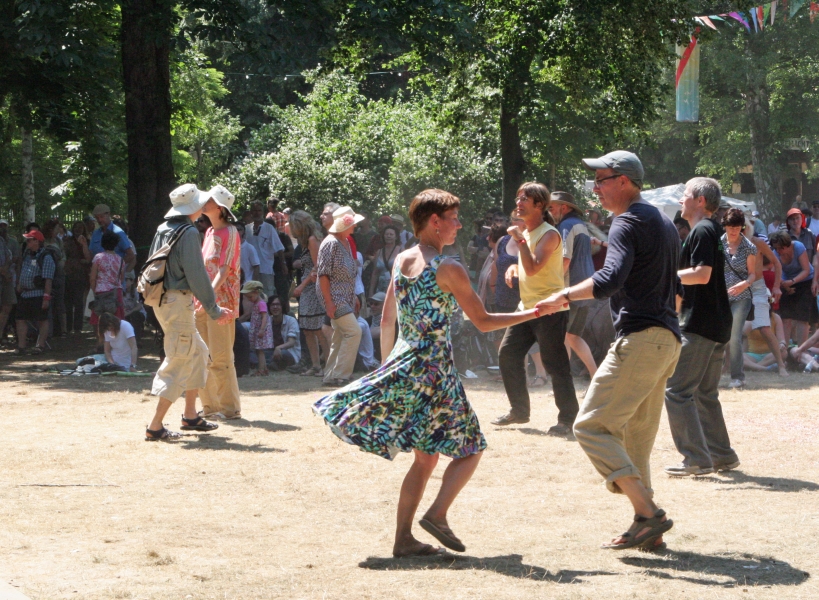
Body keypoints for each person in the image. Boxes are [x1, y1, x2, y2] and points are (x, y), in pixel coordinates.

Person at [314, 188, 541, 557]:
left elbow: (388, 319)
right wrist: (533, 313)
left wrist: (389, 367)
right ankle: (436, 515)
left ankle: (404, 539)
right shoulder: (447, 267)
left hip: (408, 362)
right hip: (434, 369)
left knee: (426, 458)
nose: (459, 224)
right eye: (453, 218)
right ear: (434, 222)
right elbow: (482, 321)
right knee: (470, 448)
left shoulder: (402, 259)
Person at [536, 151, 681, 551]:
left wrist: (561, 295)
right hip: (666, 340)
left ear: (625, 181)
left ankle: (650, 514)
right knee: (636, 438)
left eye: (601, 179)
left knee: (590, 426)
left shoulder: (627, 221)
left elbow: (609, 279)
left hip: (642, 339)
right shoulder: (663, 222)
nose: (595, 188)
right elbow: (676, 289)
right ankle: (645, 527)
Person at [663, 177, 739, 478]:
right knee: (704, 394)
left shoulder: (704, 229)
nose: (682, 200)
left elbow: (702, 274)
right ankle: (722, 455)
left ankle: (695, 458)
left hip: (701, 326)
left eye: (685, 195)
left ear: (700, 201)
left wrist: (668, 274)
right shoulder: (709, 230)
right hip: (716, 324)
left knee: (677, 391)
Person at [492, 182, 579, 435]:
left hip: (550, 308)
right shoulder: (529, 233)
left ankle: (567, 420)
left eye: (524, 200)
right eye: (518, 198)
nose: (518, 203)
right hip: (527, 308)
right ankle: (519, 411)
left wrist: (518, 240)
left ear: (539, 205)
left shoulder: (549, 233)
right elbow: (530, 267)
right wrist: (513, 267)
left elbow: (534, 267)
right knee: (508, 354)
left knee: (556, 365)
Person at [145, 183, 229, 441]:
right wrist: (214, 309)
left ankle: (190, 416)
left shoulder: (163, 228)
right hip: (178, 302)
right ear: (194, 207)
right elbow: (197, 275)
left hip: (164, 301)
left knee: (198, 353)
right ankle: (155, 426)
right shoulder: (189, 233)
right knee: (178, 362)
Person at [194, 185, 242, 421]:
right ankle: (210, 407)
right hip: (202, 302)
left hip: (221, 302)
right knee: (203, 356)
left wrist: (208, 296)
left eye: (209, 200)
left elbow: (225, 269)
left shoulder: (230, 232)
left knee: (221, 357)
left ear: (221, 207)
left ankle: (229, 409)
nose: (204, 203)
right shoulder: (210, 233)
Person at [549, 192, 598, 378]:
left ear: (564, 207)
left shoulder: (566, 226)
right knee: (572, 337)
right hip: (585, 288)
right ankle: (595, 377)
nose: (550, 211)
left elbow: (565, 260)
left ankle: (563, 382)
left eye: (552, 207)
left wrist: (552, 287)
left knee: (564, 337)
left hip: (571, 289)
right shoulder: (581, 225)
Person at [317, 207, 364, 386]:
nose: (354, 227)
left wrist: (354, 297)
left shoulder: (343, 241)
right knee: (353, 331)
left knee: (340, 335)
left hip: (343, 297)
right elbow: (323, 275)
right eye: (352, 224)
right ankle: (340, 375)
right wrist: (329, 303)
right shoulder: (330, 243)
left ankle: (330, 375)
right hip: (335, 297)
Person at [721, 208, 757, 389]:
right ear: (725, 226)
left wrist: (744, 284)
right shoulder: (719, 244)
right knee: (720, 335)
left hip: (742, 297)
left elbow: (752, 275)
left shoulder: (749, 247)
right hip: (722, 296)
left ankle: (737, 377)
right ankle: (714, 373)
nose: (733, 230)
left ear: (742, 227)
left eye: (736, 227)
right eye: (730, 226)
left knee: (734, 337)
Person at [290, 210, 328, 377]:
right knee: (307, 329)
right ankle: (315, 365)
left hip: (312, 290)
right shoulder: (306, 241)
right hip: (307, 290)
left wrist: (301, 286)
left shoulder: (312, 240)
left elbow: (317, 267)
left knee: (318, 329)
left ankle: (328, 365)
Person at [14, 230, 55, 355]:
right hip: (25, 294)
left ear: (37, 241)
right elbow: (24, 271)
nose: (27, 242)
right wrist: (20, 285)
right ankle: (22, 347)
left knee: (42, 320)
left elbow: (48, 279)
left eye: (29, 240)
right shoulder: (27, 254)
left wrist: (46, 298)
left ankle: (40, 345)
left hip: (38, 294)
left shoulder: (46, 257)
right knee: (20, 318)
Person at [770, 231, 814, 346]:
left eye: (780, 248)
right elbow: (775, 272)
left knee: (802, 317)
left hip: (804, 280)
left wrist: (793, 282)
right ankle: (786, 347)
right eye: (776, 248)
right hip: (786, 282)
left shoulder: (798, 247)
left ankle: (801, 349)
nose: (778, 251)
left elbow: (806, 270)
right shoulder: (776, 253)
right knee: (786, 317)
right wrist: (783, 284)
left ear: (788, 245)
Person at [90, 230, 126, 348]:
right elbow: (121, 277)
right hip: (116, 292)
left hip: (101, 291)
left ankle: (100, 343)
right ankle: (116, 343)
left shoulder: (98, 258)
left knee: (99, 319)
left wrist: (94, 290)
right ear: (116, 244)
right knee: (116, 319)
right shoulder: (120, 259)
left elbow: (93, 277)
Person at [247, 201, 285, 304]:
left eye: (259, 210)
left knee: (267, 296)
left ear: (263, 213)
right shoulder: (247, 229)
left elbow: (279, 248)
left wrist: (283, 265)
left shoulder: (269, 228)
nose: (257, 213)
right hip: (249, 270)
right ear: (251, 212)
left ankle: (269, 318)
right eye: (254, 211)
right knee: (251, 297)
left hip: (266, 268)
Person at [88, 204, 135, 272]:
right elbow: (91, 255)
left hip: (114, 279)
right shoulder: (95, 234)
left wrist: (115, 266)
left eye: (101, 217)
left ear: (108, 214)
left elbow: (131, 255)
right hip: (99, 278)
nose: (99, 220)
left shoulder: (118, 232)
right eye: (97, 218)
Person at [63, 221, 91, 334]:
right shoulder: (67, 241)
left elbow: (89, 258)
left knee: (79, 301)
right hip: (69, 273)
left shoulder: (87, 242)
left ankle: (78, 327)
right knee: (68, 302)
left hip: (81, 274)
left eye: (80, 228)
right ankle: (69, 327)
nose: (78, 230)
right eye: (76, 227)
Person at [242, 280, 272, 376]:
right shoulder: (256, 303)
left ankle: (261, 369)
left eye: (250, 296)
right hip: (257, 329)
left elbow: (264, 317)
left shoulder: (261, 303)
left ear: (256, 292)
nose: (250, 299)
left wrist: (262, 329)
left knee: (260, 350)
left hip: (260, 330)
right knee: (258, 350)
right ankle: (265, 368)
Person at [265, 296, 301, 370]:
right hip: (272, 351)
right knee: (256, 352)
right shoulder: (268, 321)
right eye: (272, 305)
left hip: (288, 352)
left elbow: (291, 342)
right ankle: (273, 364)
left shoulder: (291, 321)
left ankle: (273, 364)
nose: (275, 307)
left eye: (278, 305)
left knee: (283, 353)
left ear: (282, 307)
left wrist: (279, 348)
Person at [369, 224, 402, 297]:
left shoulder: (401, 251)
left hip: (395, 288)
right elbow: (375, 273)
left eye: (391, 234)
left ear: (396, 237)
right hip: (380, 288)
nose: (388, 236)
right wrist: (371, 291)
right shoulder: (379, 252)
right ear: (383, 236)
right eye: (386, 234)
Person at [0, 219, 18, 341]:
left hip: (7, 278)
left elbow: (10, 256)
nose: (2, 228)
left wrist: (6, 271)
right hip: (4, 275)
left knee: (8, 306)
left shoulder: (4, 241)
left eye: (4, 226)